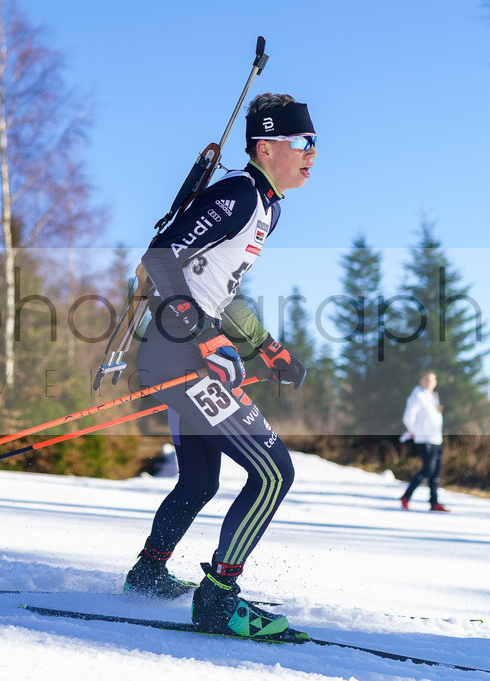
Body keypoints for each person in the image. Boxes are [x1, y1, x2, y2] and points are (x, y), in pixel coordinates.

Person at [122, 93, 315, 638]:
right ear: (266, 146)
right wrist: (202, 336)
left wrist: (267, 348)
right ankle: (218, 599)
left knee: (200, 481)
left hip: (184, 345)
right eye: (301, 143)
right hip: (179, 350)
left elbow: (218, 289)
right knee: (275, 472)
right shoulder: (237, 193)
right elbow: (159, 256)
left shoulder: (268, 208)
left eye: (314, 144)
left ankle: (148, 573)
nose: (311, 154)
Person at [399, 371, 449, 512]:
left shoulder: (433, 396)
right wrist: (414, 431)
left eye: (431, 380)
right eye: (426, 379)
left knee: (436, 471)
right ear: (421, 380)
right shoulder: (418, 396)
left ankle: (434, 502)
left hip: (436, 439)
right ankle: (406, 497)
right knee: (428, 469)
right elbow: (408, 417)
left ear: (435, 382)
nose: (428, 382)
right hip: (424, 438)